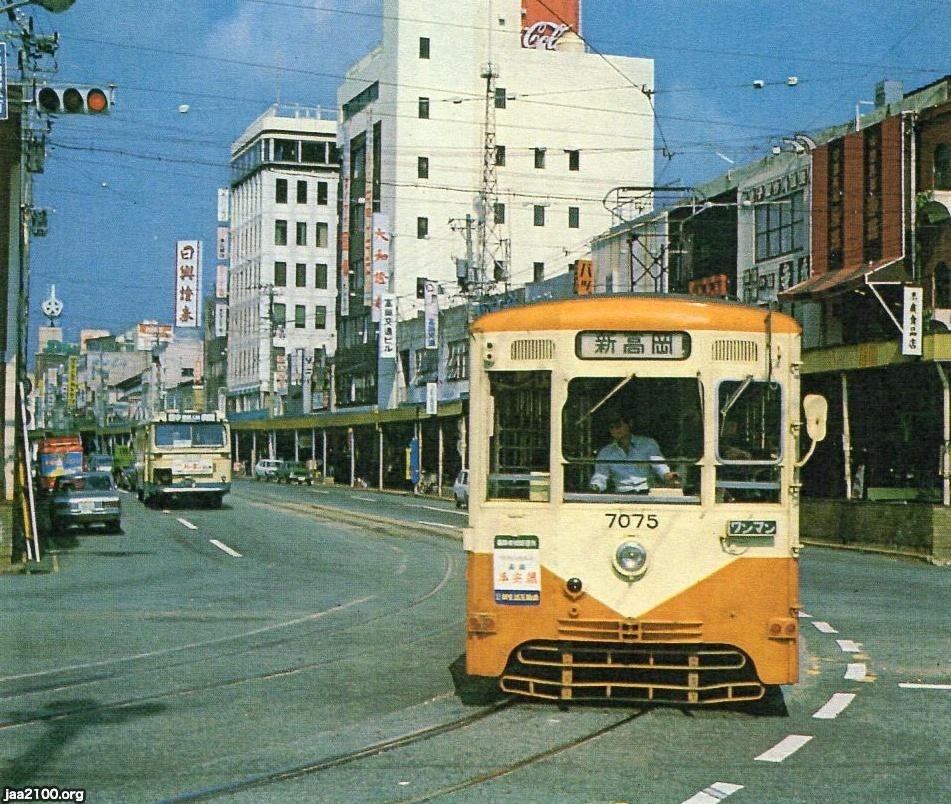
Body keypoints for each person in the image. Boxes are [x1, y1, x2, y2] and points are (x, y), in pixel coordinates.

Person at [589, 413, 679, 493]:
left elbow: (659, 465)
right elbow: (600, 475)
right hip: (622, 495)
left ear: (630, 424)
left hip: (647, 493)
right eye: (611, 427)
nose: (615, 430)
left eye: (618, 425)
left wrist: (668, 475)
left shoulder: (648, 443)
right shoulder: (606, 452)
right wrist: (596, 486)